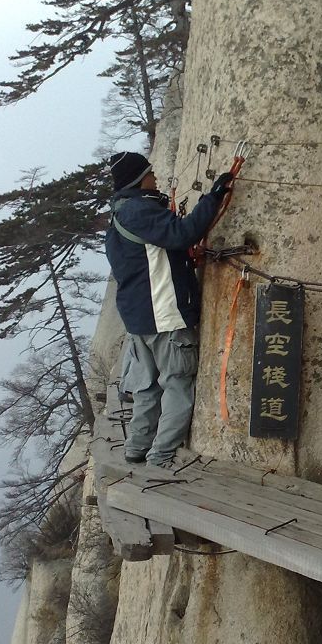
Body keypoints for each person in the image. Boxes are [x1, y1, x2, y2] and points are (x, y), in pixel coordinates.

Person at [105, 151, 233, 467]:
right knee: (177, 383)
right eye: (150, 172)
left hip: (138, 321)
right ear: (138, 179)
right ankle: (161, 458)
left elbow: (149, 258)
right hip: (164, 315)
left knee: (147, 389)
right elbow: (182, 233)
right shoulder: (140, 211)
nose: (155, 177)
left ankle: (136, 449)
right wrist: (213, 197)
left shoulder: (118, 216)